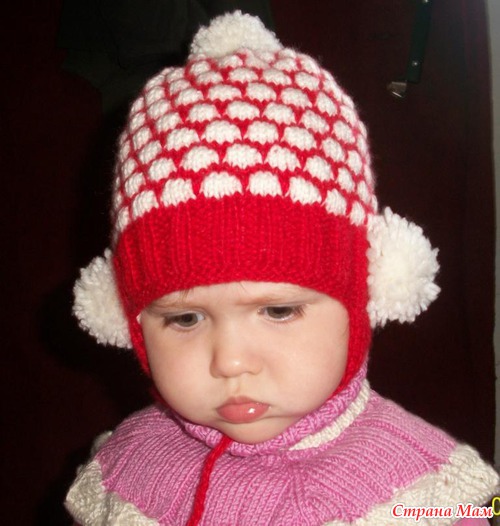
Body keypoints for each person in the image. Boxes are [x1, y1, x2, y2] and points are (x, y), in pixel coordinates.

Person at [65, 11, 498, 525]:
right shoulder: (125, 468)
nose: (231, 362)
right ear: (129, 321)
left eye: (278, 310)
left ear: (366, 295)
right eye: (184, 318)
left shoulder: (429, 494)